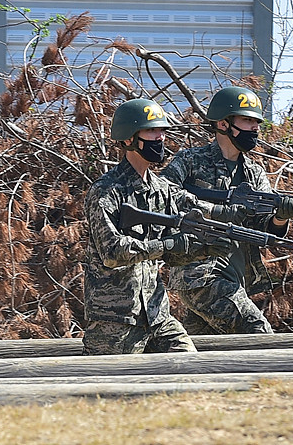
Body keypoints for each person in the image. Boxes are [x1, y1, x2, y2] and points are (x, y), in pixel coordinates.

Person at [82, 97, 236, 355]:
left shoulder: (162, 190)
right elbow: (112, 253)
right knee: (106, 390)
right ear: (129, 138)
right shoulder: (106, 191)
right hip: (115, 319)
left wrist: (205, 249)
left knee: (191, 367)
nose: (160, 137)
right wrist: (167, 244)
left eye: (162, 131)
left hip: (157, 316)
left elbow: (172, 254)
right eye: (151, 130)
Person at [160, 86, 293, 334]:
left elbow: (264, 228)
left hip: (236, 277)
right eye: (247, 120)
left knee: (206, 357)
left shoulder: (254, 173)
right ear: (224, 124)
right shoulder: (190, 161)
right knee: (257, 332)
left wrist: (281, 217)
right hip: (200, 275)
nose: (255, 128)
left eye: (256, 122)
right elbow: (163, 194)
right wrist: (216, 210)